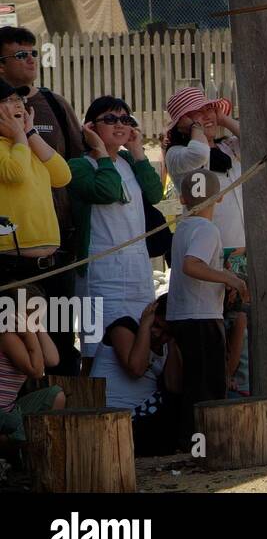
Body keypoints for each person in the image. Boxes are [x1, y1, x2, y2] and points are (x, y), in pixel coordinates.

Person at [0, 26, 85, 369]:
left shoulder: (45, 113)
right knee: (22, 355)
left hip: (57, 255)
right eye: (21, 54)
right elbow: (15, 173)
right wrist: (21, 136)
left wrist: (30, 134)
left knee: (63, 348)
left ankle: (64, 411)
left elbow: (64, 175)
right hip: (12, 264)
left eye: (17, 102)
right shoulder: (11, 147)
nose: (15, 106)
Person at [162, 88, 249, 398]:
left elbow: (258, 141)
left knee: (242, 324)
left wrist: (222, 118)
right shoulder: (178, 154)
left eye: (208, 110)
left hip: (239, 246)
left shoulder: (228, 147)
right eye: (196, 113)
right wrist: (197, 129)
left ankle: (239, 394)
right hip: (208, 247)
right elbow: (199, 155)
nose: (206, 116)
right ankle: (216, 401)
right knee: (216, 330)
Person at [69, 96, 162, 368]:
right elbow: (108, 191)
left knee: (143, 335)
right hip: (100, 270)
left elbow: (155, 194)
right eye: (110, 119)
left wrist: (137, 152)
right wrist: (99, 150)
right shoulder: (78, 166)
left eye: (125, 119)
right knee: (98, 350)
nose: (119, 124)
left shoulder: (127, 161)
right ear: (90, 127)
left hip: (136, 268)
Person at [167, 169, 246, 436]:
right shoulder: (207, 229)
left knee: (192, 384)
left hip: (182, 314)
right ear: (220, 198)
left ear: (182, 198)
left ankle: (192, 441)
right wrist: (229, 278)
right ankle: (205, 443)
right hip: (200, 316)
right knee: (208, 387)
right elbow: (192, 265)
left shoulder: (183, 228)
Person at [90, 294, 183, 456]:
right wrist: (146, 326)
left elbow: (174, 386)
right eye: (157, 325)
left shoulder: (166, 345)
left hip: (145, 415)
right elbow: (136, 369)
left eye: (166, 332)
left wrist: (173, 341)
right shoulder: (124, 327)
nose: (158, 334)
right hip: (113, 415)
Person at [0, 287, 65, 448]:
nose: (38, 321)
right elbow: (36, 371)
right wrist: (29, 334)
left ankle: (17, 441)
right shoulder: (7, 336)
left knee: (56, 395)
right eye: (34, 315)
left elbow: (52, 360)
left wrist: (37, 328)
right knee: (28, 432)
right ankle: (9, 443)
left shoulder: (26, 334)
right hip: (3, 413)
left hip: (9, 409)